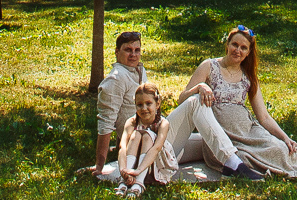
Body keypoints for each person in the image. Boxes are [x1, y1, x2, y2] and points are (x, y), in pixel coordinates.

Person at [92, 29, 263, 182]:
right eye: (128, 50)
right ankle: (235, 165)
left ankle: (240, 159)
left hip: (158, 134)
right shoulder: (115, 80)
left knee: (209, 140)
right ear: (116, 52)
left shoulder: (137, 70)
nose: (133, 55)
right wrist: (100, 166)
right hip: (143, 147)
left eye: (137, 50)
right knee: (195, 101)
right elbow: (105, 124)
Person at [177, 24, 297, 177]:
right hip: (224, 138)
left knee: (279, 149)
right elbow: (182, 100)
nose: (237, 50)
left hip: (249, 132)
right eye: (234, 44)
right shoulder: (209, 66)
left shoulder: (248, 76)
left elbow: (264, 117)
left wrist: (285, 137)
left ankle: (292, 148)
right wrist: (199, 87)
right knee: (242, 159)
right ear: (227, 44)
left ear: (248, 52)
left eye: (243, 48)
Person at [114, 83, 176, 197]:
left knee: (147, 136)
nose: (144, 108)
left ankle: (139, 183)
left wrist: (138, 171)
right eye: (139, 105)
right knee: (136, 134)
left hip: (153, 163)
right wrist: (123, 170)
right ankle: (125, 181)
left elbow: (156, 148)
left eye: (148, 104)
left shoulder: (163, 123)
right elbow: (122, 146)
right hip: (133, 163)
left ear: (157, 104)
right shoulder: (132, 122)